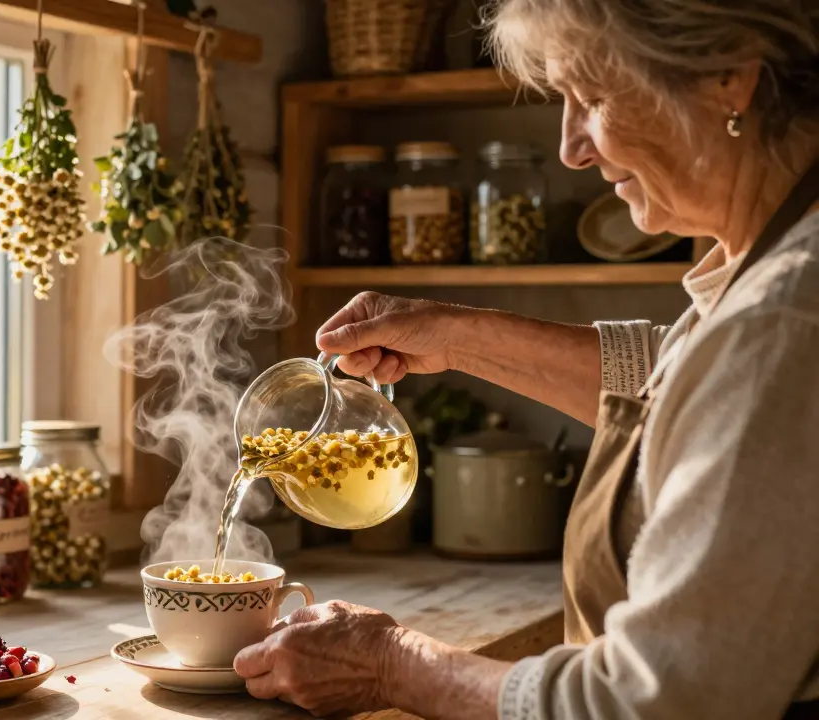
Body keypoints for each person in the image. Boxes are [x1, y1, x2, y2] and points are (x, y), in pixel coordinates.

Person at [232, 1, 819, 718]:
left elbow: (650, 703)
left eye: (593, 98)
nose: (572, 147)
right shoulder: (762, 278)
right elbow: (682, 383)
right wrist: (452, 335)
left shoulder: (786, 316)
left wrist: (391, 666)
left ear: (728, 76)